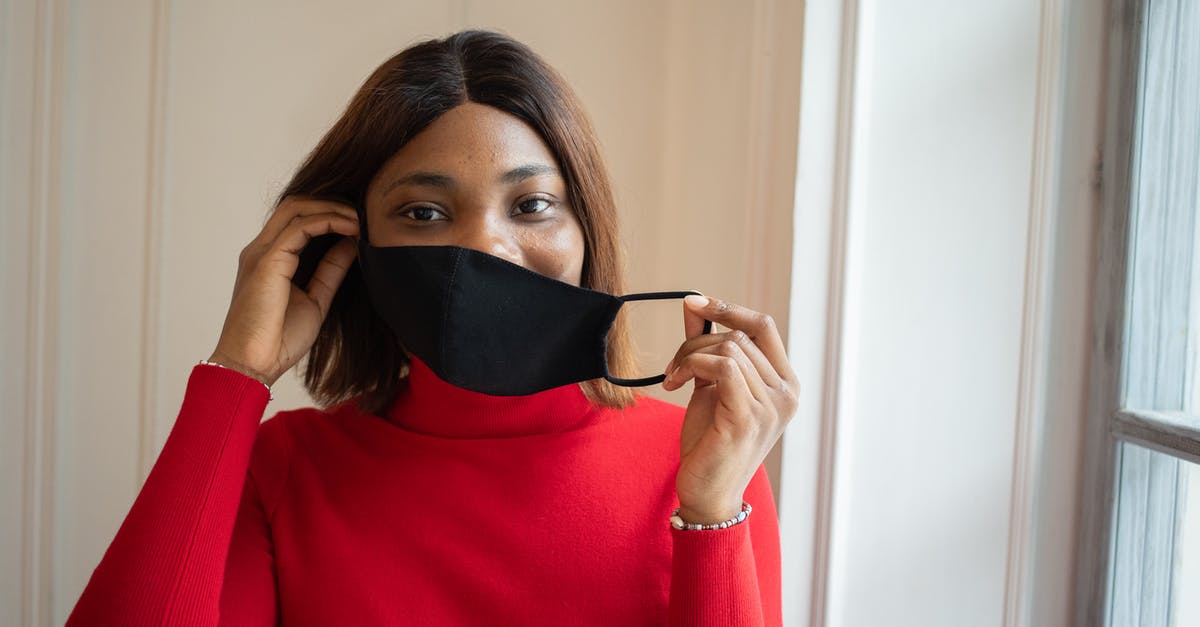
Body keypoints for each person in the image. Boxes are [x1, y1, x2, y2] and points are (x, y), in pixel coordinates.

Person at [67, 30, 798, 626]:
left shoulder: (707, 464)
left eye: (531, 205)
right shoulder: (289, 470)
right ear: (356, 246)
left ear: (586, 230)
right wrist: (235, 373)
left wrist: (710, 514)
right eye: (424, 213)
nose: (486, 249)